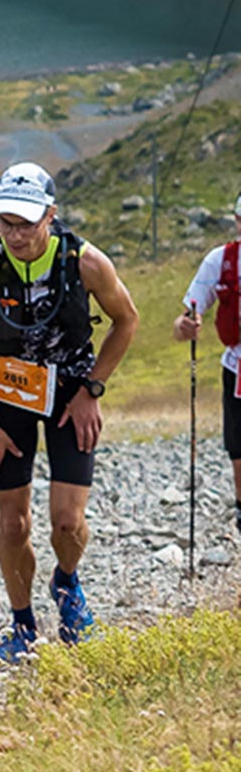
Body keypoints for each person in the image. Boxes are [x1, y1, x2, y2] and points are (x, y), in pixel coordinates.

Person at [0, 162, 139, 666]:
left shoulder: (85, 261)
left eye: (27, 223)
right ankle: (23, 626)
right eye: (6, 223)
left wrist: (92, 389)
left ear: (51, 215)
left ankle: (68, 585)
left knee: (68, 523)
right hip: (8, 399)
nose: (16, 235)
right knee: (13, 525)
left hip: (71, 393)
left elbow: (126, 320)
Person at [172, 191, 241, 535]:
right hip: (238, 370)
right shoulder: (221, 261)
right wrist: (186, 327)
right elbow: (184, 320)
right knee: (239, 452)